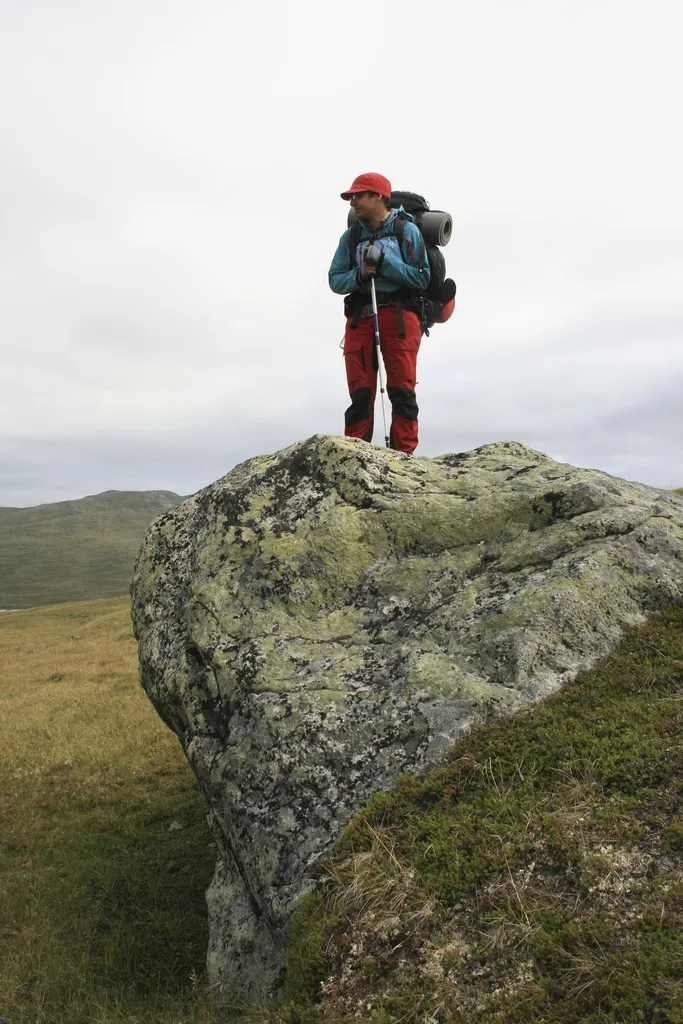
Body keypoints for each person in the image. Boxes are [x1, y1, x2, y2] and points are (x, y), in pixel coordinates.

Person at [329, 172, 430, 454]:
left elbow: (422, 277)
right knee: (360, 394)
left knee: (401, 392)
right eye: (351, 197)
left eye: (358, 196)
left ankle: (403, 461)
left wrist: (384, 263)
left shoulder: (406, 231)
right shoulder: (350, 238)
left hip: (398, 316)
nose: (353, 202)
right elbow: (335, 279)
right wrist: (360, 275)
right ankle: (355, 459)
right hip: (361, 316)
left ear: (378, 197)